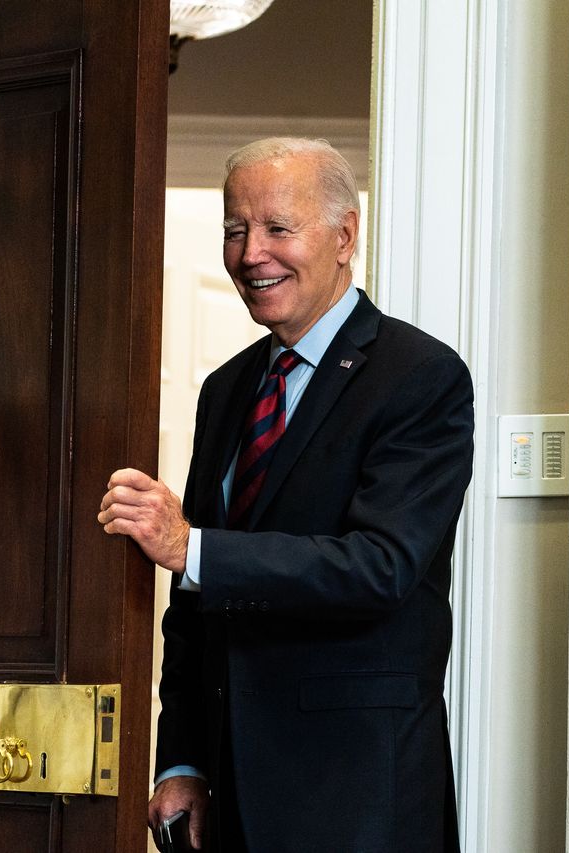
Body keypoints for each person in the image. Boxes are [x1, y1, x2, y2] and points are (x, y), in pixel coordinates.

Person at [98, 137, 473, 852]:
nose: (250, 254)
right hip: (229, 797)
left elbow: (381, 565)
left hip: (357, 796)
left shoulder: (421, 375)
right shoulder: (227, 389)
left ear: (344, 235)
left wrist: (192, 546)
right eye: (235, 230)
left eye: (277, 227)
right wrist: (181, 760)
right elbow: (195, 603)